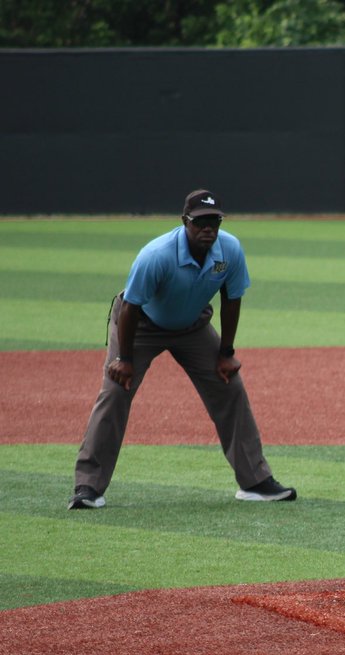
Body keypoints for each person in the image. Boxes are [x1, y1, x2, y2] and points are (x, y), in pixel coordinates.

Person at [68, 189, 296, 509]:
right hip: (140, 324)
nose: (208, 228)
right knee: (116, 393)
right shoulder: (157, 255)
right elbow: (131, 307)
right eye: (200, 222)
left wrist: (226, 353)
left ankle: (255, 480)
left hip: (192, 326)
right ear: (184, 222)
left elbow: (232, 298)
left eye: (214, 221)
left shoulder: (229, 249)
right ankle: (88, 487)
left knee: (229, 386)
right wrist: (124, 358)